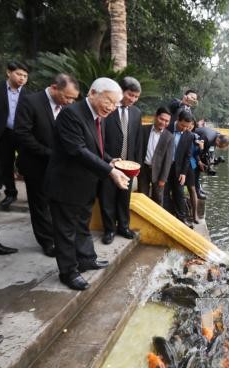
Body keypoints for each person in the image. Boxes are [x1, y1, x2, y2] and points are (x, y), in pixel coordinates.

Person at [45, 77, 129, 291]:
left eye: (115, 104)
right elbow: (77, 150)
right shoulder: (71, 114)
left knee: (82, 224)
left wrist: (109, 159)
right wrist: (110, 171)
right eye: (108, 101)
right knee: (65, 230)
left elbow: (93, 147)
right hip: (66, 185)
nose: (111, 108)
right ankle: (69, 272)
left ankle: (86, 258)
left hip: (85, 184)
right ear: (93, 93)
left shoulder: (97, 117)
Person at [14, 74, 80, 257]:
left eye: (73, 98)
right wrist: (49, 153)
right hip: (36, 164)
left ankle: (60, 236)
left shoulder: (67, 107)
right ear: (54, 88)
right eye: (67, 97)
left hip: (60, 167)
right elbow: (22, 134)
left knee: (57, 203)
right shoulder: (30, 102)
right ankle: (47, 241)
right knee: (40, 204)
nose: (70, 102)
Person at [98, 77, 143, 245]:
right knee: (107, 197)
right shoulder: (107, 110)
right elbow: (99, 139)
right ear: (120, 91)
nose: (132, 99)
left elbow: (138, 141)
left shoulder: (136, 113)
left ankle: (123, 227)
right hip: (109, 163)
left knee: (124, 198)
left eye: (136, 97)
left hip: (129, 166)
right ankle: (109, 230)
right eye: (130, 94)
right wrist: (107, 159)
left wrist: (136, 165)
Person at [0, 61, 29, 210]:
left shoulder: (29, 94)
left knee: (27, 164)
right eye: (19, 74)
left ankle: (32, 194)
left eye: (25, 76)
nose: (22, 78)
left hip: (23, 134)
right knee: (5, 164)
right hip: (4, 133)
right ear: (9, 73)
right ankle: (10, 193)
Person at [163, 109, 194, 228]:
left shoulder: (189, 135)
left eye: (187, 126)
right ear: (177, 120)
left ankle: (182, 219)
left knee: (179, 193)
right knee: (164, 193)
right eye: (182, 125)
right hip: (165, 167)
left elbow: (188, 156)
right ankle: (166, 218)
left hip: (178, 169)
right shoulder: (167, 128)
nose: (184, 128)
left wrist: (184, 173)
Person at [138, 106, 173, 206]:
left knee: (158, 198)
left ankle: (157, 219)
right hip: (143, 169)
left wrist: (163, 178)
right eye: (161, 119)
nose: (163, 122)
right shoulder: (144, 130)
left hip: (159, 171)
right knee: (142, 195)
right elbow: (139, 149)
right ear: (155, 116)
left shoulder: (169, 137)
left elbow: (168, 160)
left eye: (167, 121)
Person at [194, 126, 229, 198]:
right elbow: (194, 150)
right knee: (196, 169)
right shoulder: (207, 138)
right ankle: (196, 192)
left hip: (202, 149)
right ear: (218, 140)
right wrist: (199, 161)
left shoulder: (217, 136)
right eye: (220, 146)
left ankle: (199, 188)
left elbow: (211, 151)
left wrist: (212, 161)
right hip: (192, 145)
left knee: (202, 168)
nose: (220, 147)